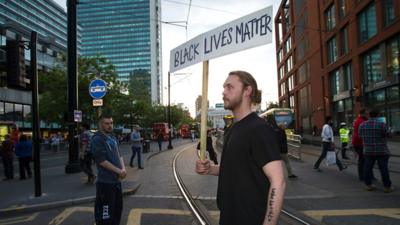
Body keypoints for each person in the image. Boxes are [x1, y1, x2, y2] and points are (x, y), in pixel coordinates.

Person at [196, 71, 286, 225]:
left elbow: (278, 181)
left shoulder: (259, 129)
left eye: (229, 87)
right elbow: (233, 167)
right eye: (224, 87)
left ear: (247, 90)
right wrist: (210, 169)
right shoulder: (232, 129)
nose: (223, 92)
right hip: (228, 217)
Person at [91, 115, 126, 225]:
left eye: (111, 123)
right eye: (107, 123)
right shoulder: (97, 139)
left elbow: (119, 155)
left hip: (116, 181)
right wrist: (119, 171)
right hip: (105, 183)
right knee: (106, 215)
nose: (110, 125)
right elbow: (102, 161)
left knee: (117, 210)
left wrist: (123, 169)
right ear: (101, 124)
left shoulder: (113, 138)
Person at [358, 109, 393, 193]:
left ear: (369, 115)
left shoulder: (362, 125)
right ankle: (387, 187)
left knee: (367, 168)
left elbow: (360, 136)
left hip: (368, 151)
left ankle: (368, 185)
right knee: (383, 169)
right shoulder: (381, 124)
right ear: (378, 115)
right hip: (381, 150)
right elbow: (388, 135)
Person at [266, 115, 298, 179]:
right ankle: (290, 174)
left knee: (276, 163)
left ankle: (276, 175)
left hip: (275, 150)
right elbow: (283, 141)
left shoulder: (270, 129)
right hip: (283, 150)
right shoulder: (280, 131)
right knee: (286, 162)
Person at [352, 109, 367, 181]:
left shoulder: (358, 120)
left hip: (357, 142)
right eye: (366, 113)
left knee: (363, 159)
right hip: (360, 143)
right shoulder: (361, 121)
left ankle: (364, 175)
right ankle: (362, 176)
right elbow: (362, 133)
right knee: (362, 160)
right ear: (363, 113)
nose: (367, 114)